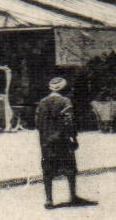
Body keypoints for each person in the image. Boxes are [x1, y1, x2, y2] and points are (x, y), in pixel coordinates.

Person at [35, 77, 93, 209]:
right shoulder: (65, 101)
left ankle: (49, 200)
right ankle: (73, 196)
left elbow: (37, 123)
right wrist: (73, 137)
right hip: (62, 141)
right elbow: (69, 121)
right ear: (64, 89)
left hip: (46, 142)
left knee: (48, 170)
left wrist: (46, 135)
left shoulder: (42, 102)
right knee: (70, 169)